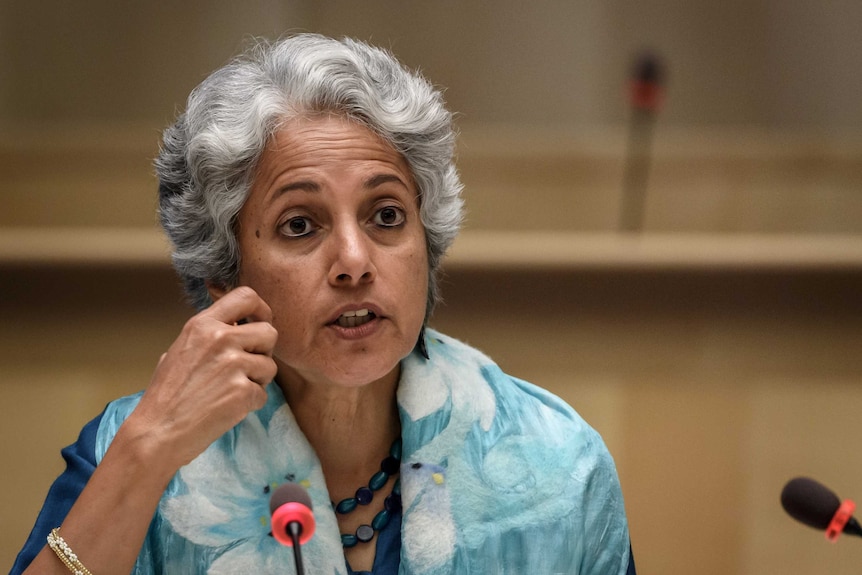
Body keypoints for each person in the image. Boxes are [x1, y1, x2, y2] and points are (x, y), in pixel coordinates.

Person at [12, 33, 636, 575]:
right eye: (299, 226)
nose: (355, 260)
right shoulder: (129, 448)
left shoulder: (557, 464)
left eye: (387, 215)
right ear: (223, 278)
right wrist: (147, 452)